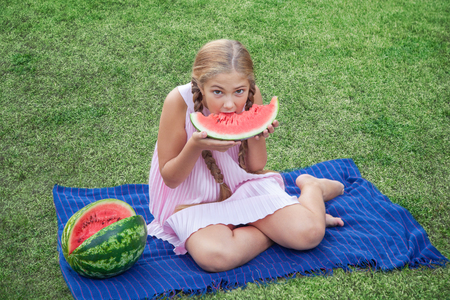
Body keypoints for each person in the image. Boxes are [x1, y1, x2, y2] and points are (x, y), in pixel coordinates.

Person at [147, 39, 345, 273]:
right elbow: (170, 178)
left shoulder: (252, 96)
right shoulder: (178, 101)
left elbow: (256, 166)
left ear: (248, 84)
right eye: (217, 92)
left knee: (309, 234)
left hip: (240, 187)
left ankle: (312, 186)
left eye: (239, 91)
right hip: (190, 200)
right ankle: (274, 228)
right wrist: (195, 146)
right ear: (200, 86)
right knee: (215, 257)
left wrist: (256, 136)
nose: (230, 104)